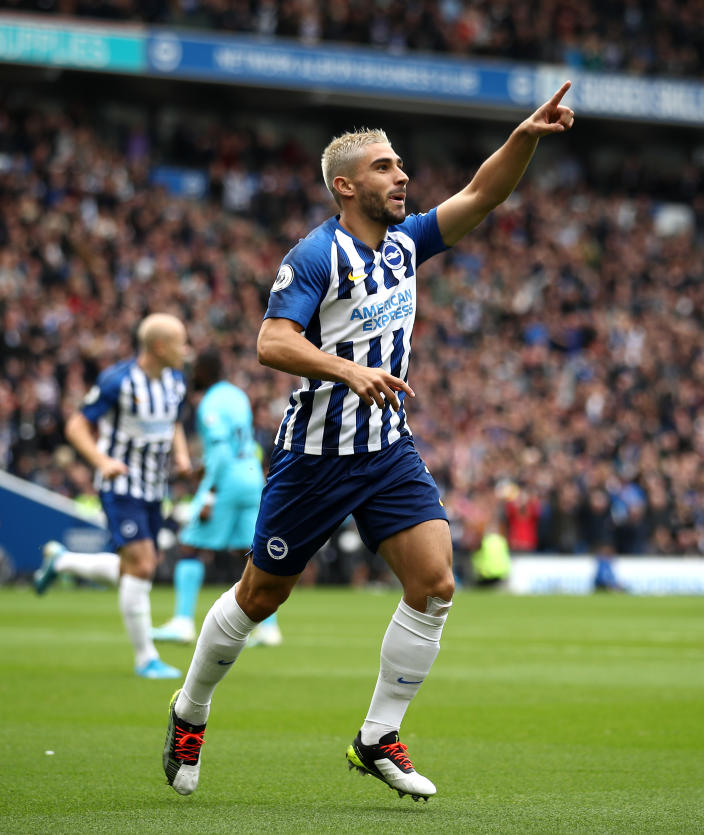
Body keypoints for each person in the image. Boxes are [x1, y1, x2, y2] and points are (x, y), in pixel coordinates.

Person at [162, 82, 575, 801]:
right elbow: (271, 341)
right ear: (345, 185)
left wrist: (525, 137)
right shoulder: (316, 254)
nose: (403, 176)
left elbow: (481, 195)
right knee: (260, 595)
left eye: (402, 166)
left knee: (436, 582)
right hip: (315, 456)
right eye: (386, 167)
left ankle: (377, 735)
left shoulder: (406, 243)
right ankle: (189, 711)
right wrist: (347, 368)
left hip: (386, 448)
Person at [35, 313, 193, 679]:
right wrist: (101, 460)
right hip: (121, 486)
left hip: (155, 488)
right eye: (179, 342)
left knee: (133, 568)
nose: (186, 350)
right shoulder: (118, 381)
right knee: (143, 565)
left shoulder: (175, 382)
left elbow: (174, 424)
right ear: (158, 346)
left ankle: (61, 563)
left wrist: (181, 456)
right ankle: (145, 658)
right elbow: (76, 424)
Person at [152, 349, 275, 647]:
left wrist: (208, 493)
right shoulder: (237, 395)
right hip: (250, 475)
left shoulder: (210, 402)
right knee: (249, 552)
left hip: (227, 480)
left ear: (204, 372)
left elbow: (220, 451)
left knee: (190, 546)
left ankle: (182, 621)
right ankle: (269, 628)